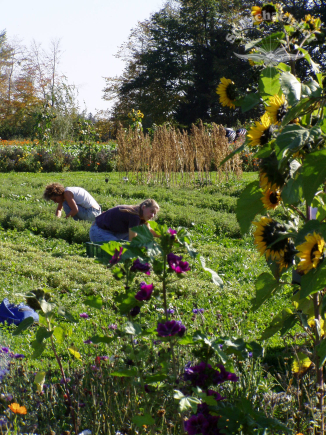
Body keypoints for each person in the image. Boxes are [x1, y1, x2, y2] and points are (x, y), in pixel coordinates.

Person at [89, 199, 159, 243]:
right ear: (144, 207)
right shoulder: (134, 216)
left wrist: (165, 235)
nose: (152, 215)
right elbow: (133, 240)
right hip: (98, 231)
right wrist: (147, 247)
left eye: (154, 214)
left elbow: (148, 231)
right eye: (151, 211)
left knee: (140, 235)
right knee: (120, 251)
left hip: (112, 232)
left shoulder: (141, 215)